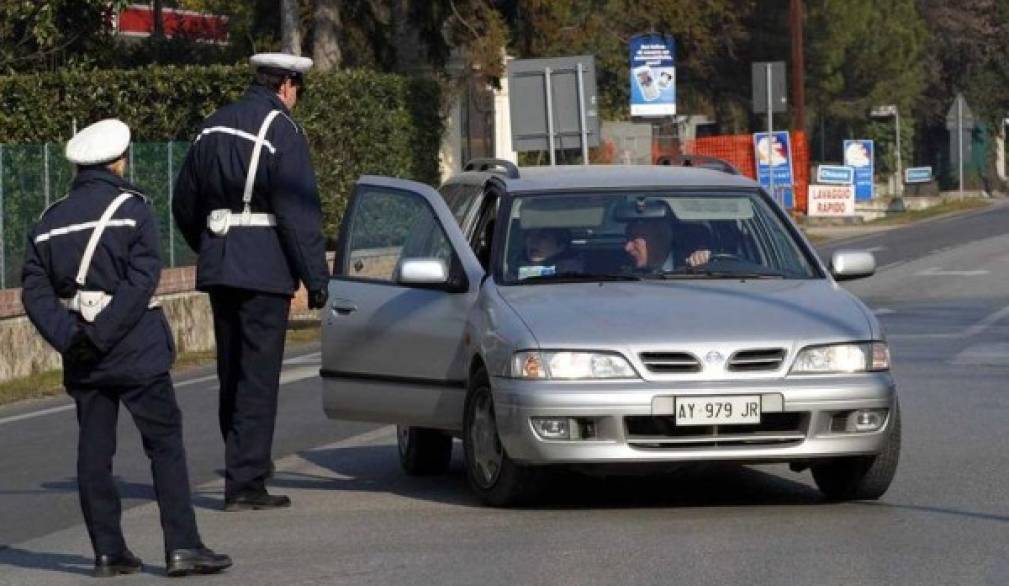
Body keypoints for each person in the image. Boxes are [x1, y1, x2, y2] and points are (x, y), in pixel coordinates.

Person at [21, 119, 231, 578]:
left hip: (81, 355)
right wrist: (103, 334)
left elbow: (33, 293)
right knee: (165, 446)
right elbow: (142, 281)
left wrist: (71, 338)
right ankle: (182, 547)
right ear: (118, 160)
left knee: (94, 454)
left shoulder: (47, 221)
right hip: (136, 350)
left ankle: (108, 552)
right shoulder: (133, 209)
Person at [172, 53, 330, 511]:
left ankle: (245, 460)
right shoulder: (282, 130)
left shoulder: (212, 125)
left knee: (232, 372)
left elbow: (184, 203)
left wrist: (210, 243)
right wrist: (315, 278)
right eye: (297, 89)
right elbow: (297, 212)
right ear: (285, 86)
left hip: (221, 264)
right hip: (263, 268)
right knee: (258, 378)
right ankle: (245, 482)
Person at [624, 219, 711, 270]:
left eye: (634, 238)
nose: (627, 248)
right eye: (627, 238)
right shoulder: (618, 274)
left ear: (658, 236)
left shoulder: (691, 266)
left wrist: (700, 268)